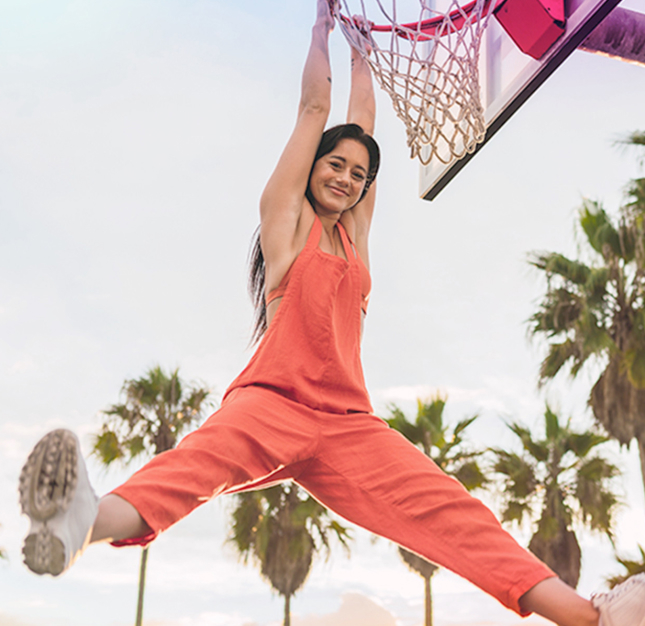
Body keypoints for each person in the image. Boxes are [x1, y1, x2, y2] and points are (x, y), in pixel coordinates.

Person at [18, 2, 645, 625]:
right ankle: (78, 524)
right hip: (271, 404)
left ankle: (589, 617)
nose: (346, 178)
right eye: (334, 165)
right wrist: (322, 30)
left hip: (349, 424)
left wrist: (363, 47)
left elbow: (361, 118)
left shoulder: (356, 234)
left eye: (358, 173)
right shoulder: (286, 229)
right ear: (311, 166)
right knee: (186, 472)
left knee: (453, 515)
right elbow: (317, 111)